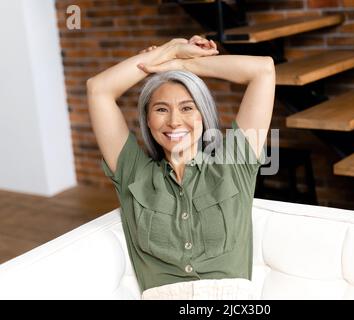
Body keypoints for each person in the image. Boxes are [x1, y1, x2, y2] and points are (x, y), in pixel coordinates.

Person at [86, 35, 275, 299]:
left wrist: (183, 65)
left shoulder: (235, 164)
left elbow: (263, 70)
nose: (175, 122)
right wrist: (169, 49)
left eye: (187, 108)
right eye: (161, 109)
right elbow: (98, 89)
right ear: (148, 120)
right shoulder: (133, 172)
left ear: (203, 114)